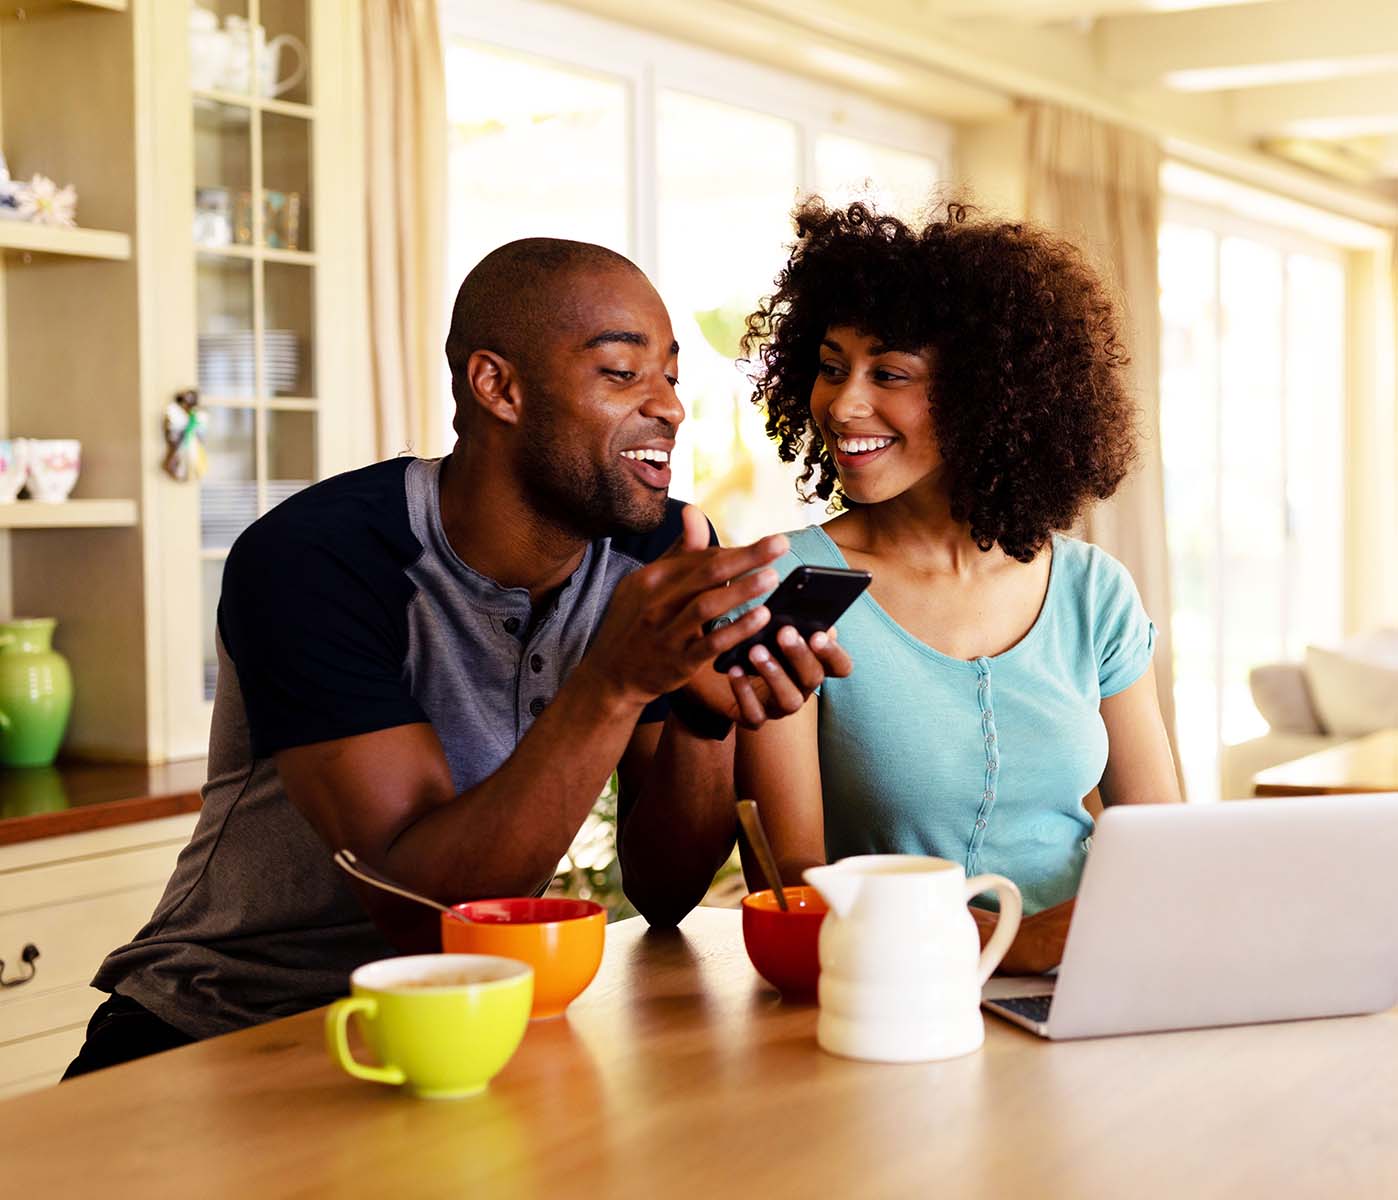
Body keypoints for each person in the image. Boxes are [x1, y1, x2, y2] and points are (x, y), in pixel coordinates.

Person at [65, 238, 851, 1078]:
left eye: (670, 375)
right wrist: (617, 680)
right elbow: (422, 912)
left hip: (471, 1024)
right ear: (497, 387)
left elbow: (663, 891)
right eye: (623, 373)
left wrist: (700, 710)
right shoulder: (316, 559)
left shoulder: (654, 550)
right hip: (222, 1029)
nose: (669, 407)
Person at [731, 200, 1181, 973]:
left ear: (987, 396)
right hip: (893, 988)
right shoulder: (789, 587)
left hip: (1091, 976)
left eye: (890, 374)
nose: (844, 404)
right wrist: (1016, 947)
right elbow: (800, 879)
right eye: (832, 367)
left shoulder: (1092, 592)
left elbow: (1165, 847)